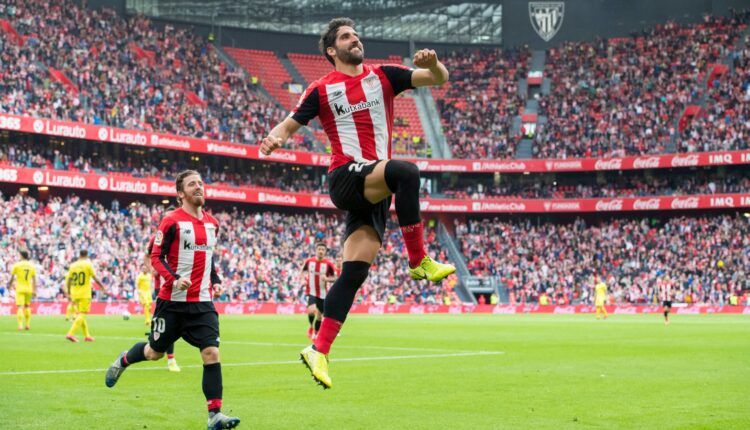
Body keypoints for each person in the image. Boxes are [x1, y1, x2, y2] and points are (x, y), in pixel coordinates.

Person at [261, 17, 455, 389]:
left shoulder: (385, 76)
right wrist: (274, 139)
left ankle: (318, 350)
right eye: (346, 37)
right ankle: (419, 262)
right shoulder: (322, 89)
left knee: (353, 274)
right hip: (347, 176)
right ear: (332, 50)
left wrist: (432, 65)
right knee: (408, 173)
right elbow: (289, 124)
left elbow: (438, 79)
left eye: (356, 34)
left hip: (373, 187)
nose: (356, 39)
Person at [104, 170, 239, 430]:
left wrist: (216, 279)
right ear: (181, 194)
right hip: (172, 303)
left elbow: (208, 258)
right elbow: (155, 257)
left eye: (201, 183)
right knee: (153, 352)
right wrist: (174, 278)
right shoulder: (171, 221)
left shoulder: (213, 224)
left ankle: (215, 415)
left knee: (211, 353)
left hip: (202, 303)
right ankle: (124, 360)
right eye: (192, 184)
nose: (199, 187)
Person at [145, 234, 181, 372]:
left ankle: (155, 338)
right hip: (161, 288)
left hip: (178, 287)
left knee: (171, 325)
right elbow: (147, 255)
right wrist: (151, 269)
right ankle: (171, 360)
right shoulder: (156, 237)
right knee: (168, 325)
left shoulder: (185, 235)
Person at [300, 242, 337, 340]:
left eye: (323, 250)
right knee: (311, 310)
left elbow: (335, 277)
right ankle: (311, 327)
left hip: (323, 293)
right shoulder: (309, 261)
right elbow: (303, 271)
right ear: (316, 250)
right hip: (311, 291)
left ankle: (316, 333)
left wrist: (327, 279)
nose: (321, 251)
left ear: (325, 252)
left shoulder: (328, 264)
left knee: (320, 316)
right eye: (319, 249)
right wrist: (303, 279)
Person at [65, 250, 102, 342]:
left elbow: (69, 280)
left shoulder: (73, 265)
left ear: (79, 254)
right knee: (83, 314)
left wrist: (69, 292)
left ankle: (87, 335)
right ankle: (70, 333)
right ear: (87, 255)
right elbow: (94, 277)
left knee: (80, 314)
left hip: (75, 293)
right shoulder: (88, 265)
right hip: (85, 293)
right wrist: (102, 286)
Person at [8, 250, 36, 331]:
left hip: (20, 288)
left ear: (21, 256)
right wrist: (35, 290)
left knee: (20, 307)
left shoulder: (17, 265)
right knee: (27, 306)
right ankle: (27, 325)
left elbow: (12, 277)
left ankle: (20, 325)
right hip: (29, 288)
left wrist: (9, 285)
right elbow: (34, 279)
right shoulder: (32, 266)